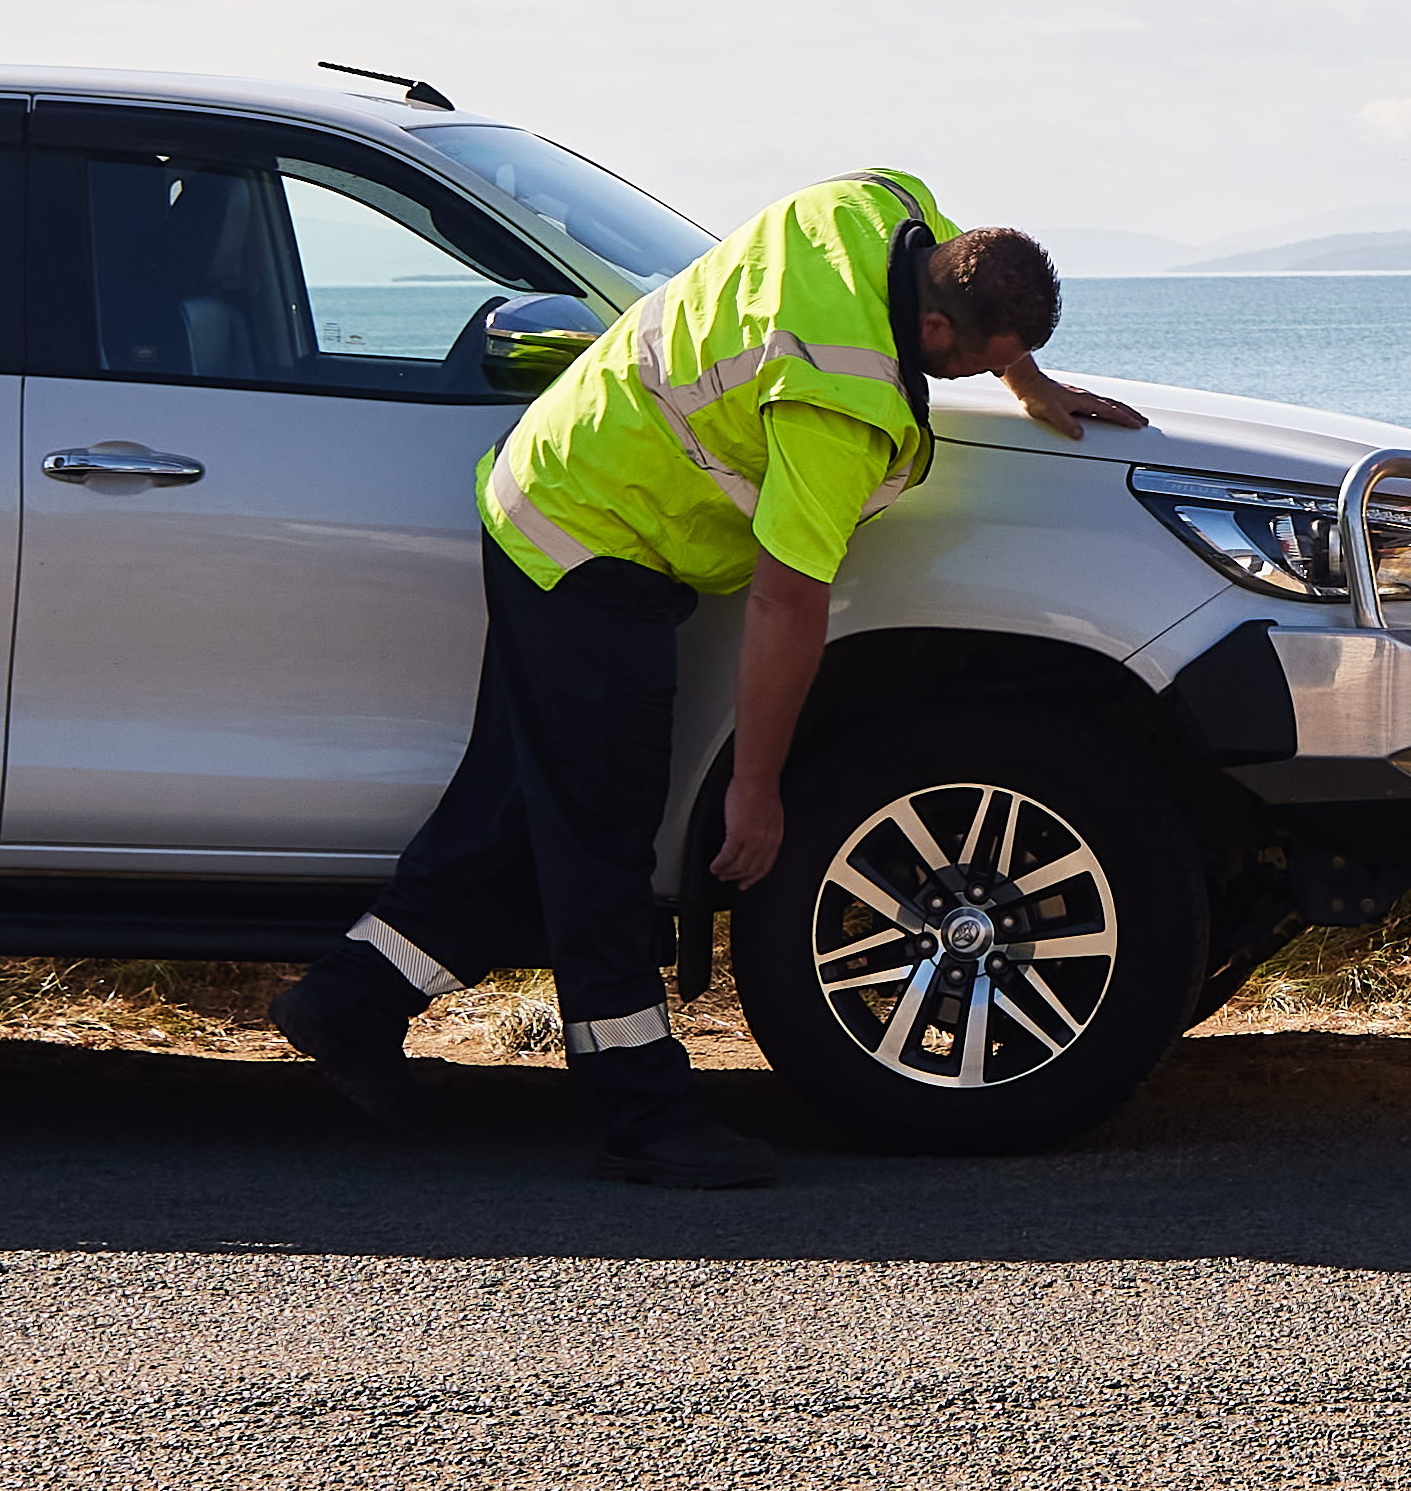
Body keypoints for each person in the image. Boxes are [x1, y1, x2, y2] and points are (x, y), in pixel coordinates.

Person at [274, 167, 1134, 1183]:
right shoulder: (839, 404)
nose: (991, 372)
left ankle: (351, 997)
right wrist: (755, 789)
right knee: (603, 829)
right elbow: (785, 604)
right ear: (936, 335)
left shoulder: (873, 209)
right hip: (594, 541)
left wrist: (1026, 383)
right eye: (987, 360)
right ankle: (640, 1106)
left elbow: (955, 273)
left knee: (520, 795)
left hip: (553, 478)